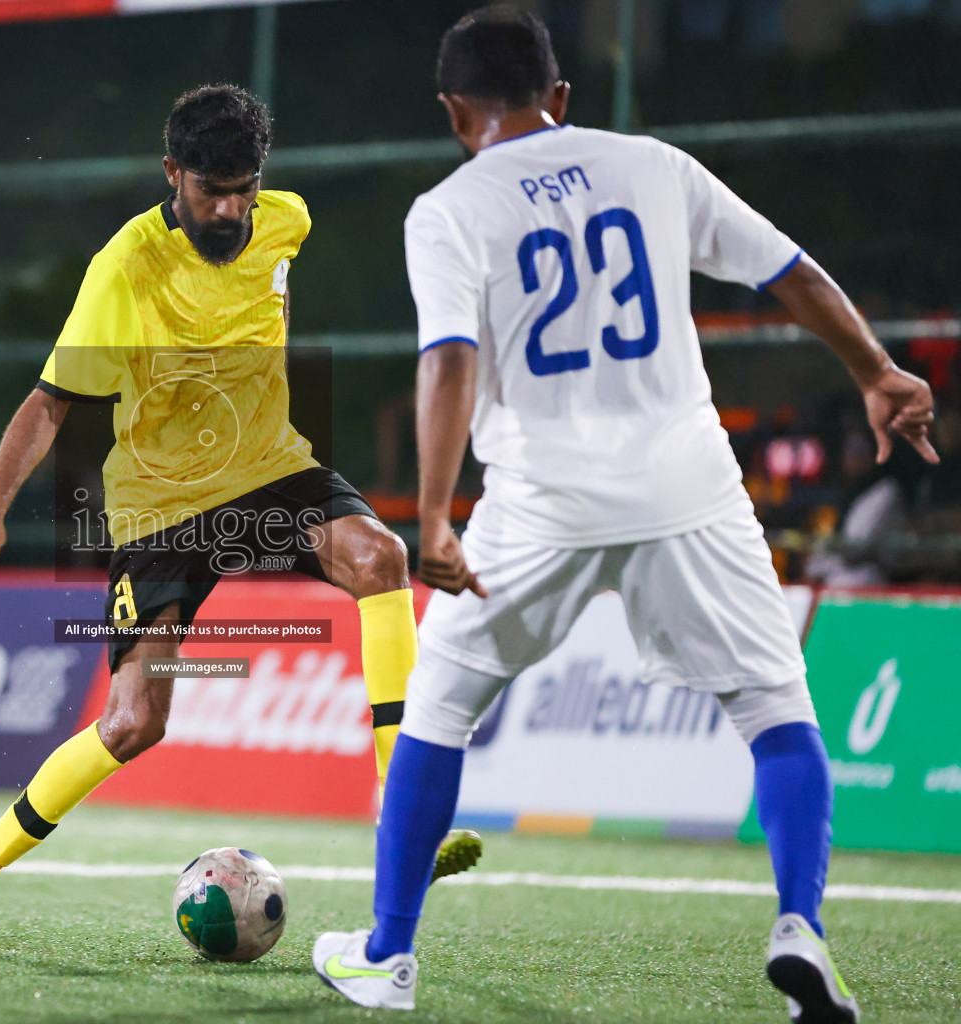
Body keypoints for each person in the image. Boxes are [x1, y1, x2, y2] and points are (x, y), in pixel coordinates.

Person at [312, 7, 936, 1021]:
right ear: (560, 97)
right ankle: (800, 928)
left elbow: (449, 363)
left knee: (437, 711)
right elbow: (792, 270)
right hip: (689, 488)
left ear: (453, 112)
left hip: (540, 505)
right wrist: (873, 370)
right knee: (778, 711)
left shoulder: (449, 209)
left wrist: (432, 515)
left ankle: (387, 955)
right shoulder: (653, 164)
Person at [0, 84, 480, 950]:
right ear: (171, 173)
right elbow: (52, 402)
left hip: (270, 471)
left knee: (381, 559)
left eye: (242, 189)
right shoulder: (127, 265)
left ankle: (400, 814)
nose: (228, 208)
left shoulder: (287, 221)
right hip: (159, 507)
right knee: (135, 723)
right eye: (209, 190)